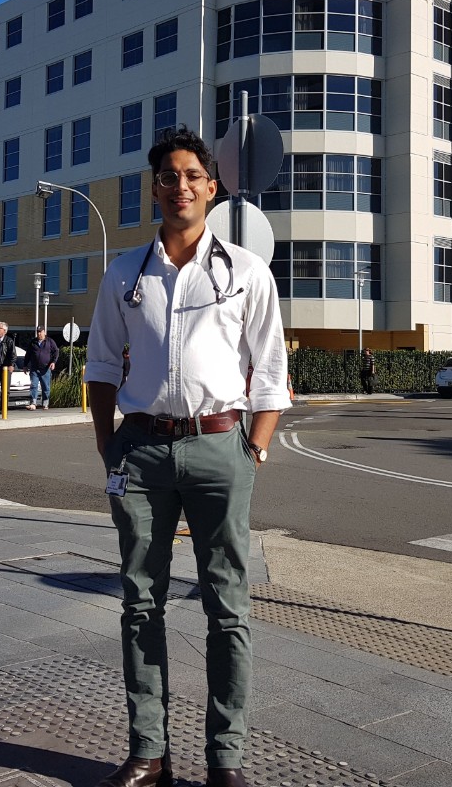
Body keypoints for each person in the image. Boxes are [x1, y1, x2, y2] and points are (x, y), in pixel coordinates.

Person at [84, 125, 290, 787]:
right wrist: (111, 448)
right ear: (156, 188)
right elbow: (99, 372)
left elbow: (271, 374)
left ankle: (224, 759)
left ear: (213, 186)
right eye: (167, 177)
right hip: (140, 452)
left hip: (219, 446)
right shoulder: (125, 274)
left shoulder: (245, 273)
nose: (179, 187)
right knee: (139, 602)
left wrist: (252, 450)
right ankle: (149, 751)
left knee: (227, 606)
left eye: (191, 176)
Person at [25, 326, 60, 409]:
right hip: (34, 368)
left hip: (45, 368)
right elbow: (28, 354)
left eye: (40, 332)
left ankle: (45, 403)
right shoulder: (33, 342)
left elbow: (56, 351)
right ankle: (33, 403)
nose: (39, 333)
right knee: (33, 385)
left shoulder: (50, 341)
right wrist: (25, 365)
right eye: (38, 332)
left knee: (45, 386)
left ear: (44, 332)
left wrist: (53, 362)